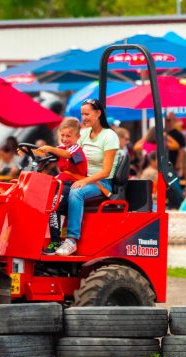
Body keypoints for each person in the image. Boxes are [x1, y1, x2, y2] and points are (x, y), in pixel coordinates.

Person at [54, 99, 119, 256]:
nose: (84, 117)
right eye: (82, 114)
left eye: (87, 114)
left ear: (98, 113)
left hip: (100, 182)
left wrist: (84, 181)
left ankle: (71, 240)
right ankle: (54, 238)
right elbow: (65, 148)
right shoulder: (83, 134)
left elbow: (106, 171)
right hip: (80, 178)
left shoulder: (109, 136)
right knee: (53, 191)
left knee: (76, 192)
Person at [33, 117, 89, 255]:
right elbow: (48, 153)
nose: (64, 139)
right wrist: (30, 152)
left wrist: (50, 148)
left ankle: (56, 240)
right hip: (61, 183)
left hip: (73, 184)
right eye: (62, 135)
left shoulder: (75, 149)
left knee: (54, 206)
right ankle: (35, 238)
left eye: (68, 136)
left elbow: (67, 154)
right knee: (40, 201)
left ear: (77, 136)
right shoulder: (60, 148)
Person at [165, 112, 186, 177]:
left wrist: (178, 163)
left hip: (173, 164)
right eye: (167, 120)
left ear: (175, 121)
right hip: (163, 163)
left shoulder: (178, 134)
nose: (168, 122)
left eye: (169, 120)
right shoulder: (162, 132)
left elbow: (182, 150)